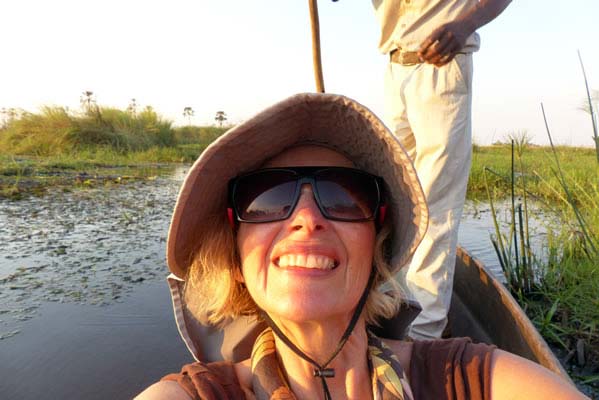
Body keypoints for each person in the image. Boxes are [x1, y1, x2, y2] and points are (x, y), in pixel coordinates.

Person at [136, 93, 585, 399]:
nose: (307, 220)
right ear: (235, 259)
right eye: (267, 198)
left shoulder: (462, 378)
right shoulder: (196, 394)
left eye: (344, 196)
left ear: (378, 249)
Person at [371, 0, 513, 339]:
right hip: (395, 68)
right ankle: (387, 306)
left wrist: (465, 23)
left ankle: (422, 335)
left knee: (434, 205)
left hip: (441, 66)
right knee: (390, 195)